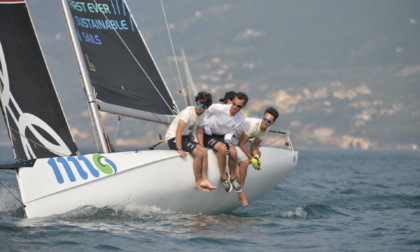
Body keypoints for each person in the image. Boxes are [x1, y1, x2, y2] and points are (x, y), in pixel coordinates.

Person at [165, 91, 217, 192]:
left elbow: (200, 131)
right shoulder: (187, 112)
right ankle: (198, 182)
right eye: (198, 104)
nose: (199, 107)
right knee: (198, 153)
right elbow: (178, 131)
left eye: (202, 106)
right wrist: (179, 148)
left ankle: (205, 179)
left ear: (206, 107)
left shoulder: (202, 114)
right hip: (174, 138)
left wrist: (201, 145)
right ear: (196, 102)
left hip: (185, 137)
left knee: (204, 151)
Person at [232, 106, 279, 206]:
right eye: (265, 119)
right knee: (245, 161)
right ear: (263, 117)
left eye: (269, 121)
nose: (265, 122)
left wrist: (256, 157)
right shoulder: (253, 125)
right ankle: (241, 190)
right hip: (233, 138)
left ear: (272, 123)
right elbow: (241, 143)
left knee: (258, 154)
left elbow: (255, 145)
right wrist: (251, 158)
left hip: (242, 141)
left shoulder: (265, 130)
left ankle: (237, 171)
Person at [203, 92, 248, 193]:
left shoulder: (241, 118)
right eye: (234, 104)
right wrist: (205, 126)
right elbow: (204, 111)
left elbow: (231, 131)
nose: (235, 107)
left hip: (223, 136)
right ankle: (223, 176)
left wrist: (228, 140)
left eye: (239, 106)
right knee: (223, 150)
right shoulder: (219, 108)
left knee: (233, 152)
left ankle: (232, 178)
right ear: (232, 102)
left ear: (243, 106)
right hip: (209, 134)